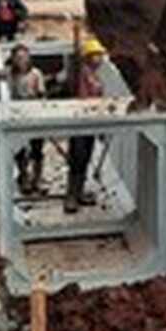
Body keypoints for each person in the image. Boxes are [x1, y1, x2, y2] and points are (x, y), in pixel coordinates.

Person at [66, 38, 107, 214]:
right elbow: (74, 73)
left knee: (85, 158)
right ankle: (71, 196)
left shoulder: (95, 76)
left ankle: (79, 192)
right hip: (79, 122)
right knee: (77, 158)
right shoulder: (81, 73)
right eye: (96, 55)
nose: (99, 59)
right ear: (88, 57)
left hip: (91, 122)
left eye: (100, 55)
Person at [6, 44, 47, 194]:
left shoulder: (36, 74)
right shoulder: (11, 75)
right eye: (18, 58)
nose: (21, 61)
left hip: (35, 113)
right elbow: (8, 92)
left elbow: (42, 93)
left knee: (37, 148)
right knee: (20, 149)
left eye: (24, 57)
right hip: (18, 114)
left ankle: (37, 178)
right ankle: (24, 177)